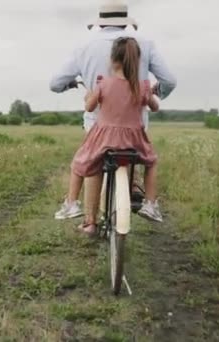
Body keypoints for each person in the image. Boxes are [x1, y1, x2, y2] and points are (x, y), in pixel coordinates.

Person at [50, 0, 176, 220]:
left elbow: (55, 83)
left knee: (90, 165)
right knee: (142, 158)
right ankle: (141, 195)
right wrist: (156, 91)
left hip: (98, 128)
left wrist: (74, 86)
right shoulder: (144, 44)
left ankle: (89, 222)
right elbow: (169, 81)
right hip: (135, 129)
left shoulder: (85, 47)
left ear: (100, 23)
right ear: (125, 22)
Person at [61, 37, 163, 235]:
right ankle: (151, 204)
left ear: (112, 60)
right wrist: (150, 93)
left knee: (79, 164)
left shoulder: (103, 84)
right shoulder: (142, 86)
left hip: (104, 138)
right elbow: (155, 107)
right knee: (151, 162)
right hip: (134, 140)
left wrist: (90, 95)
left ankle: (71, 203)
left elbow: (89, 107)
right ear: (136, 61)